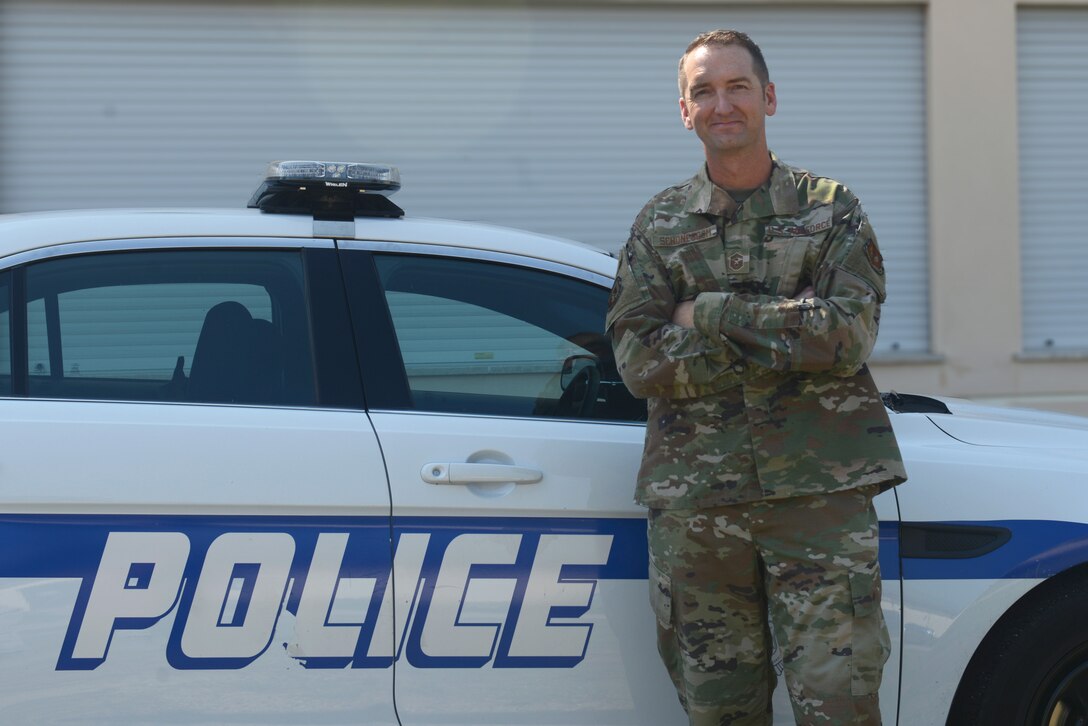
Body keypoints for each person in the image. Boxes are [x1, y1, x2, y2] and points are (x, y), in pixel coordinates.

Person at [605, 29, 907, 726]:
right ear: (685, 111)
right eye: (703, 91)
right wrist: (781, 332)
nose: (722, 104)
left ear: (767, 97)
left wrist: (706, 313)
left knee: (840, 707)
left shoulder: (832, 210)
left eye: (737, 86)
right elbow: (637, 358)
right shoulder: (659, 226)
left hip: (819, 505)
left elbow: (846, 335)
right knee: (720, 713)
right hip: (700, 511)